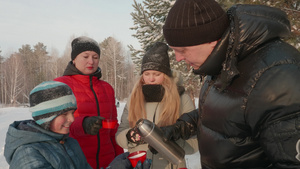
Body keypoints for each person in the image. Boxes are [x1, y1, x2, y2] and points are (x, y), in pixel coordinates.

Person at [160, 0, 300, 168]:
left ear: (211, 39)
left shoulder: (275, 77)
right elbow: (223, 112)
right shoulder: (221, 62)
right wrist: (178, 128)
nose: (177, 58)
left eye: (182, 50)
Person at [116, 42, 198, 169]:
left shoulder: (181, 98)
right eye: (147, 74)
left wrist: (173, 138)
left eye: (157, 74)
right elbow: (120, 134)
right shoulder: (133, 99)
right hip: (140, 165)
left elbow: (195, 144)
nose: (151, 79)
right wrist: (130, 136)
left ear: (166, 75)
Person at [54, 36, 124, 169]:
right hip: (76, 161)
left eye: (95, 57)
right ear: (74, 59)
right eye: (85, 56)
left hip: (108, 162)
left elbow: (113, 128)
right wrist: (83, 124)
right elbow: (53, 126)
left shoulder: (107, 88)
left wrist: (120, 158)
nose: (91, 61)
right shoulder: (60, 84)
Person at [4, 81, 92, 169]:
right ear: (45, 118)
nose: (72, 119)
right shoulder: (28, 154)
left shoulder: (71, 143)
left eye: (72, 113)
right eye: (64, 114)